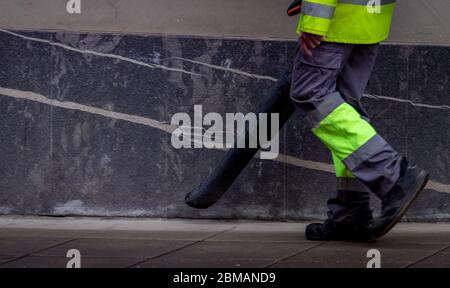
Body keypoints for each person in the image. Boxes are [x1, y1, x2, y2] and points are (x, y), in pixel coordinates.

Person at [290, 0, 429, 241]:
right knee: (343, 109)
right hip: (368, 20)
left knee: (311, 94)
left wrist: (315, 19)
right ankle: (350, 212)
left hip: (336, 21)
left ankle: (392, 175)